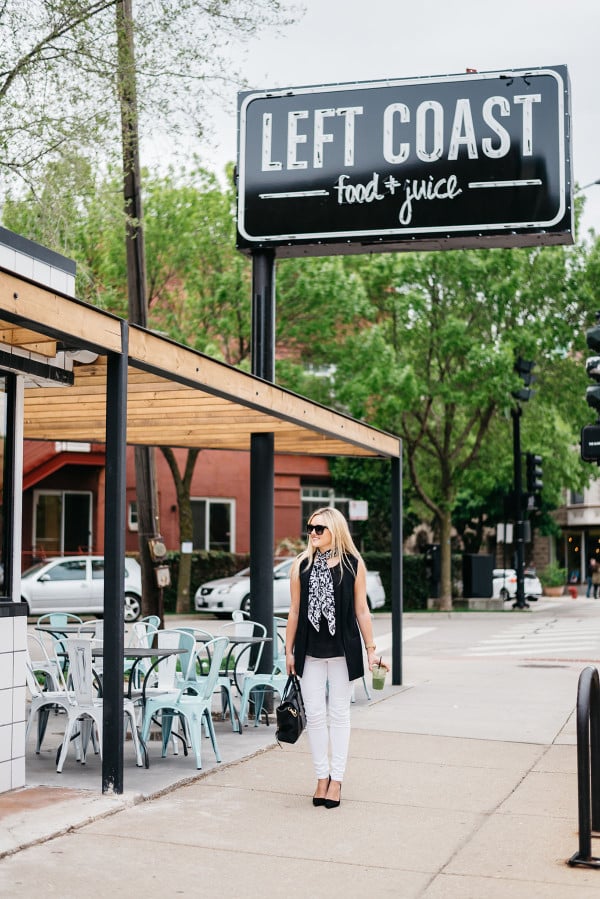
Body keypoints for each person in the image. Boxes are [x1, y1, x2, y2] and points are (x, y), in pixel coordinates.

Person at [285, 507, 389, 809]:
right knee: (315, 717)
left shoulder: (353, 565)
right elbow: (294, 611)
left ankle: (337, 780)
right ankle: (321, 777)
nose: (313, 533)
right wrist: (288, 651)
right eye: (310, 528)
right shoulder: (301, 565)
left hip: (343, 651)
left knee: (339, 715)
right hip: (310, 651)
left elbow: (361, 611)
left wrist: (371, 651)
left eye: (320, 528)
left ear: (335, 530)